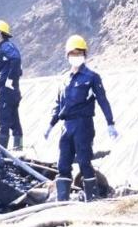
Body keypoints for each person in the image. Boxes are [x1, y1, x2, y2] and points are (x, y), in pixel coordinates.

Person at [45, 35, 117, 202]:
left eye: (79, 53)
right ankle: (62, 201)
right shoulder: (65, 79)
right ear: (67, 56)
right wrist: (50, 125)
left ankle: (91, 199)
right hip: (66, 126)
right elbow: (58, 106)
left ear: (84, 55)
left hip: (83, 124)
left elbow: (102, 100)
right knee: (63, 164)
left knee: (84, 162)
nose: (76, 56)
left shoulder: (91, 77)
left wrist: (110, 123)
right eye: (72, 53)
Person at [0, 20, 23, 150]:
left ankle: (1, 152)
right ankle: (18, 149)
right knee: (14, 120)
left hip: (7, 91)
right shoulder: (4, 49)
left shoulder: (6, 46)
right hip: (11, 92)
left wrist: (9, 79)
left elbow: (16, 59)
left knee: (3, 120)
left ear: (0, 35)